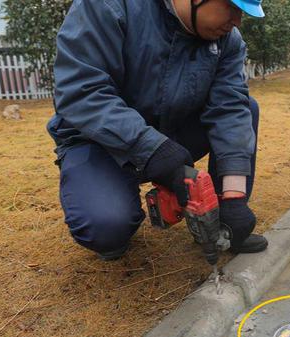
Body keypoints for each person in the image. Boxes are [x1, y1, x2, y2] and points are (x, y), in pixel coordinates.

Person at [47, 0, 269, 260]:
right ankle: (113, 212)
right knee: (106, 227)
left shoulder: (226, 40)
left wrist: (234, 197)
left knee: (246, 108)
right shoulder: (108, 6)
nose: (237, 21)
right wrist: (151, 148)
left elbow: (230, 109)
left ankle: (218, 223)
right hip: (98, 140)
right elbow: (82, 91)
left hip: (172, 132)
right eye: (232, 8)